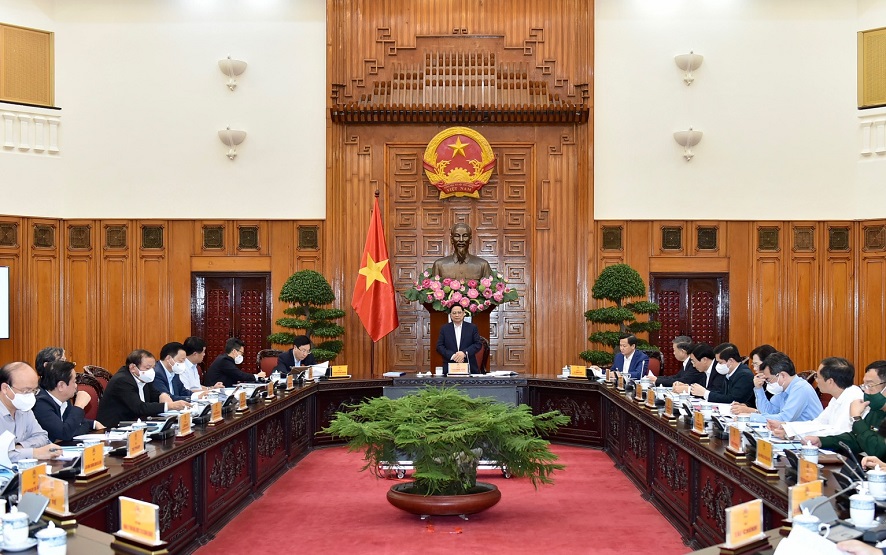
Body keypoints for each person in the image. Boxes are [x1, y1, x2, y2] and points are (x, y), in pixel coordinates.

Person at [767, 357, 862, 439]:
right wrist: (786, 426)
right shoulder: (837, 397)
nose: (816, 380)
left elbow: (837, 433)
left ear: (830, 381)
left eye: (817, 376)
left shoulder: (854, 398)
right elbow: (818, 423)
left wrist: (793, 433)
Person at [807, 361, 886, 457]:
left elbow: (878, 450)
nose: (866, 391)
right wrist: (821, 441)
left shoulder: (856, 398)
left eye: (870, 386)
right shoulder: (876, 411)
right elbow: (856, 439)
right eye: (864, 386)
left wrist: (857, 419)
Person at [96, 350, 191, 429]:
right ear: (133, 368)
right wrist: (170, 406)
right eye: (148, 368)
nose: (151, 371)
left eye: (153, 368)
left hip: (136, 423)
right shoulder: (122, 380)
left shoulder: (143, 377)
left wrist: (162, 394)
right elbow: (139, 408)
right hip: (115, 428)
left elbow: (154, 395)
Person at [733, 352, 823, 423]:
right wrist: (759, 389)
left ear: (782, 375)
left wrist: (751, 417)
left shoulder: (800, 388)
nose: (767, 383)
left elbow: (785, 418)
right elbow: (767, 411)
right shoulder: (783, 390)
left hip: (810, 437)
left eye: (768, 379)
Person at [0, 361, 60, 462]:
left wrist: (20, 447)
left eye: (33, 391)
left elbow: (42, 437)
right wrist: (33, 453)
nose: (30, 395)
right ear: (5, 388)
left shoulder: (24, 409)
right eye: (26, 391)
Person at [33, 360, 102, 442]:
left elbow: (72, 424)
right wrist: (79, 406)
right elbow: (65, 433)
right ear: (61, 386)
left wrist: (93, 424)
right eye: (74, 382)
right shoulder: (40, 404)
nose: (76, 386)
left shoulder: (64, 399)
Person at [690, 344, 754, 405]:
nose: (717, 365)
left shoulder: (744, 375)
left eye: (720, 362)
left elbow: (733, 399)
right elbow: (722, 393)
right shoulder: (729, 373)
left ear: (731, 361)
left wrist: (705, 393)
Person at [435, 304, 483, 375]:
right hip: (450, 365)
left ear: (463, 314)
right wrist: (453, 356)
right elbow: (439, 346)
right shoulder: (444, 328)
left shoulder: (472, 327)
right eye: (454, 313)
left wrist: (464, 353)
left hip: (469, 365)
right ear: (450, 315)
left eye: (459, 312)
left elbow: (478, 344)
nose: (457, 315)